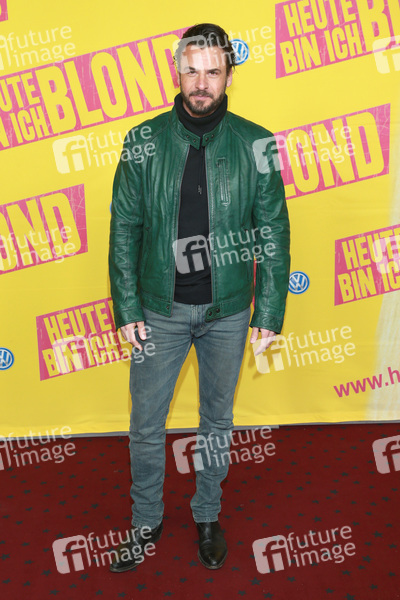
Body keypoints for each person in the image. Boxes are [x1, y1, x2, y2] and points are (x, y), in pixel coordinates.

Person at [108, 22, 290, 573]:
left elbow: (273, 229)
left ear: (229, 74)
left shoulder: (257, 143)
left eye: (213, 71)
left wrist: (269, 309)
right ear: (177, 71)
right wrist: (127, 306)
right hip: (157, 312)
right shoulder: (142, 141)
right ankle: (145, 520)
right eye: (192, 70)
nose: (201, 82)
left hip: (228, 311)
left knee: (216, 421)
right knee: (146, 424)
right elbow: (125, 227)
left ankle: (207, 515)